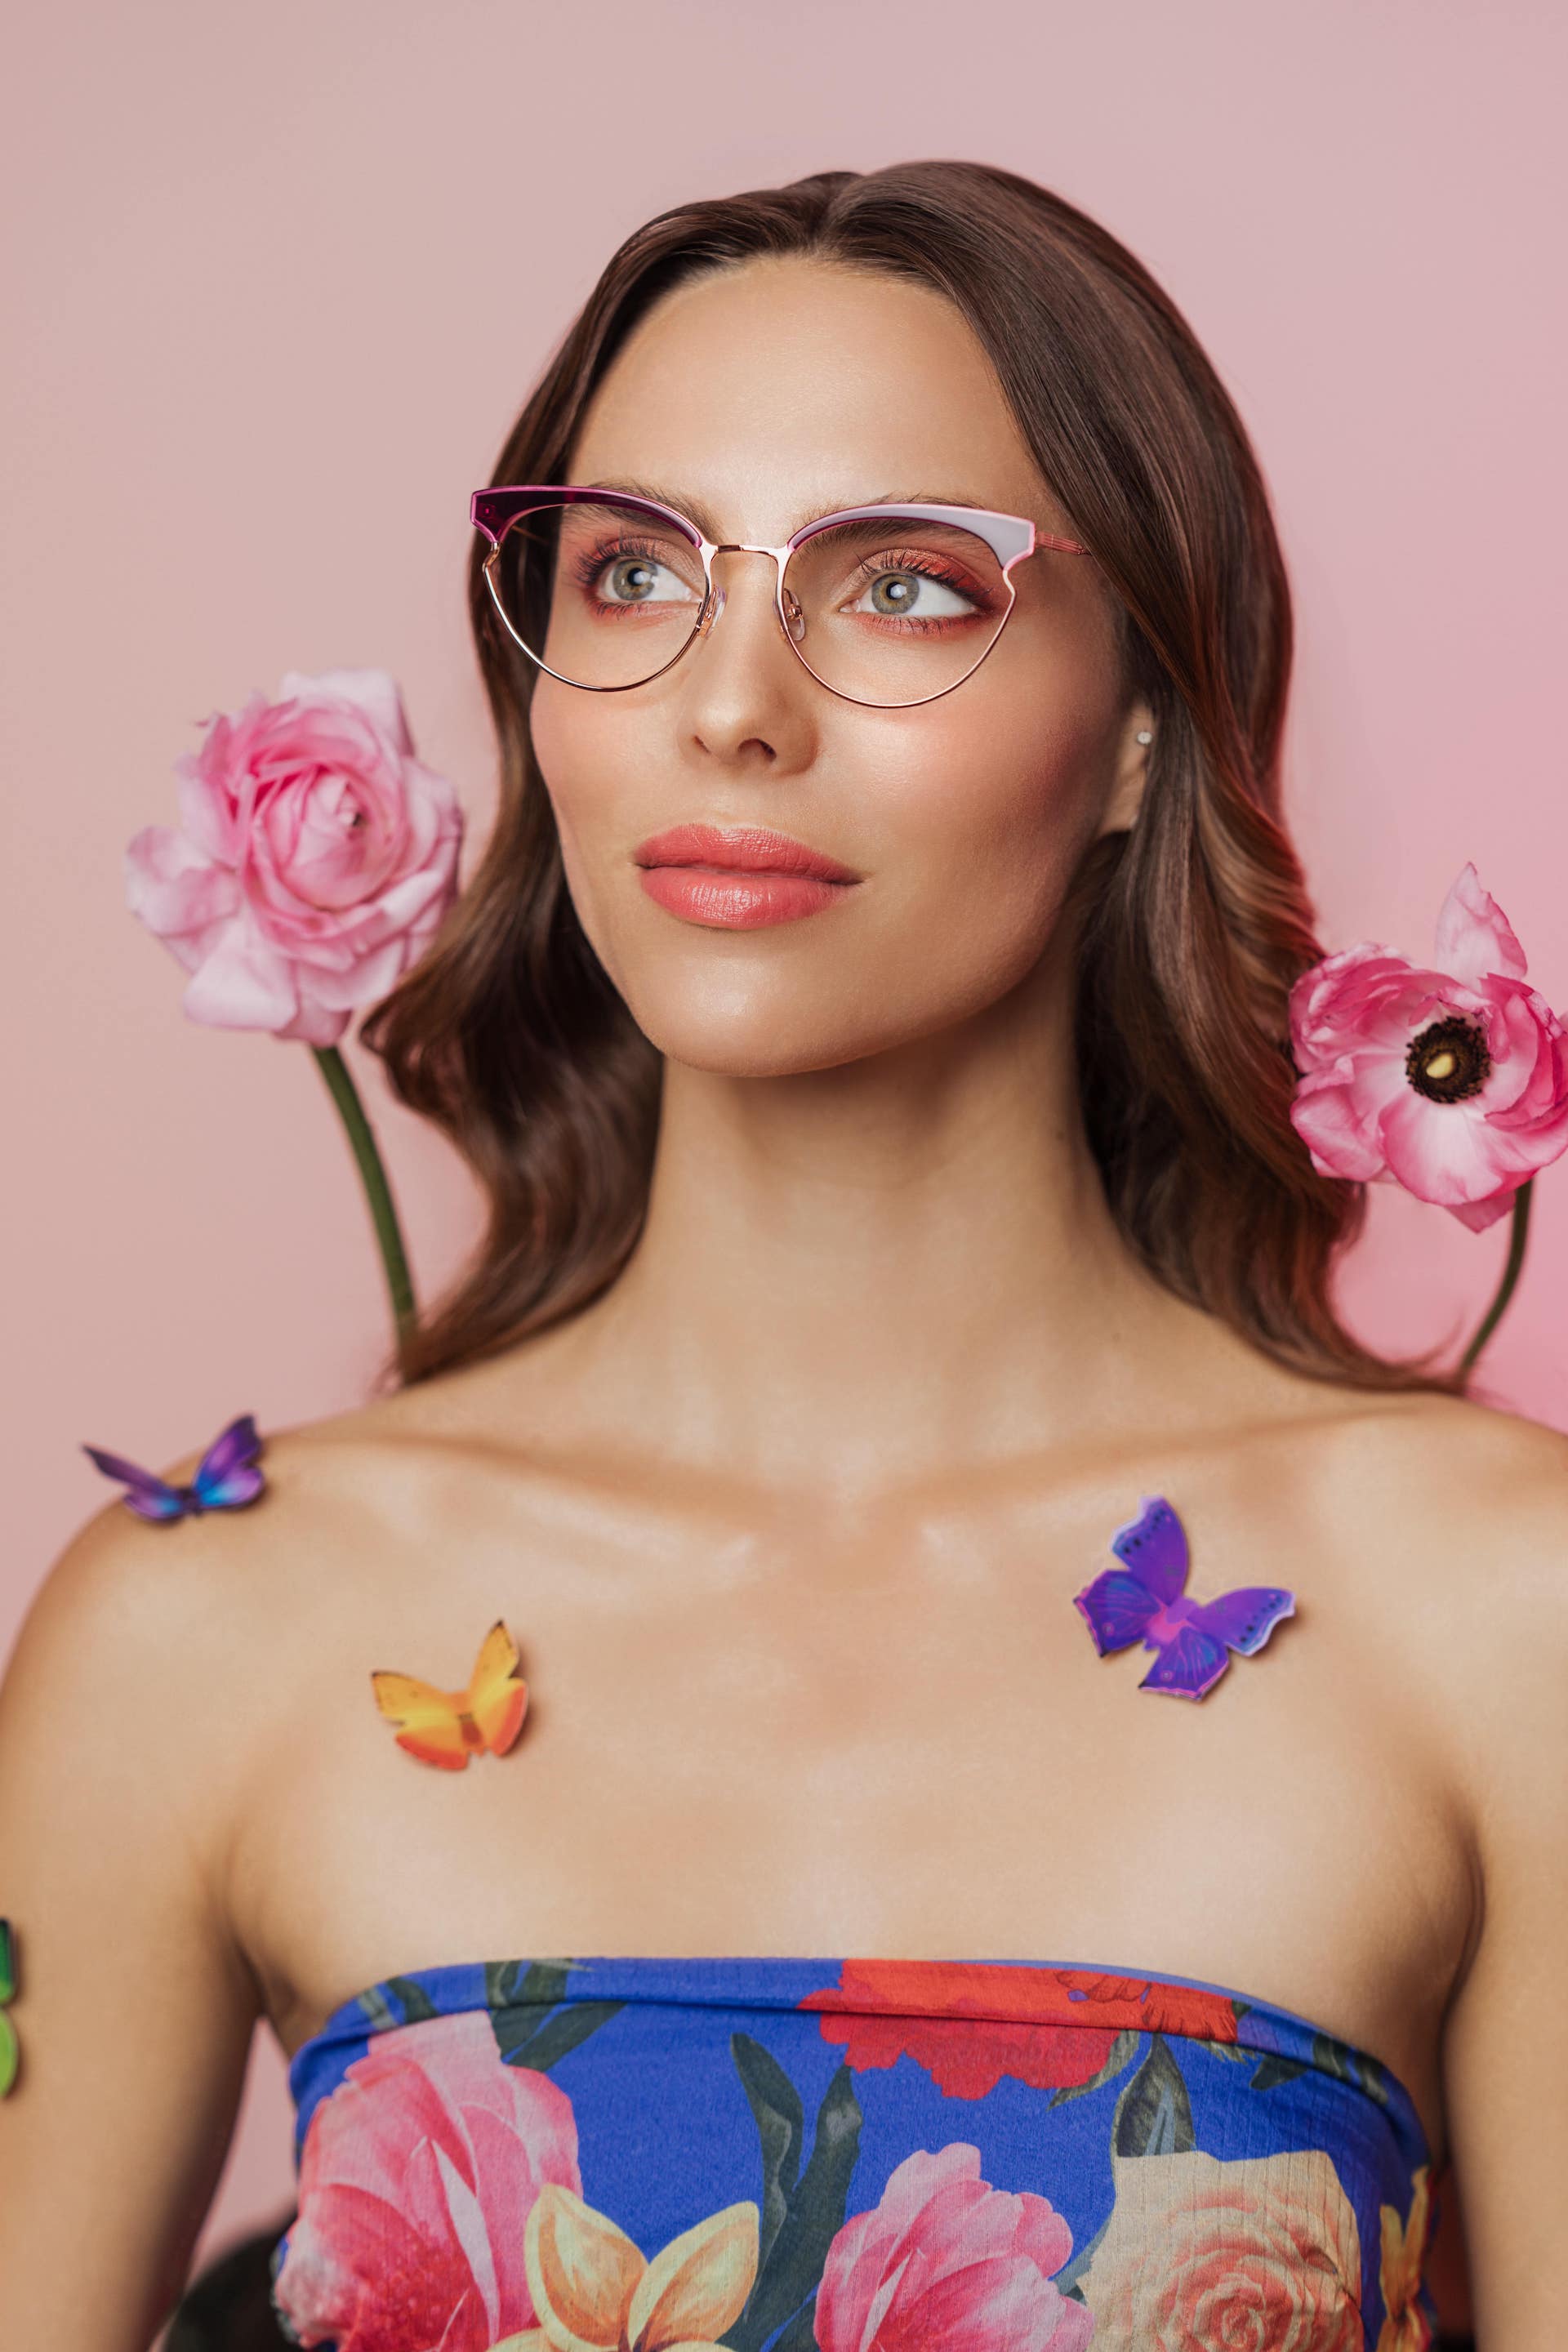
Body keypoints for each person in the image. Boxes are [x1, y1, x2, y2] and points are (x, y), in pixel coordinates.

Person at [1, 160, 1560, 2352]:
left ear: (1138, 732)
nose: (730, 708)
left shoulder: (1504, 1614)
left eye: (905, 586)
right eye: (636, 571)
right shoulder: (200, 1632)